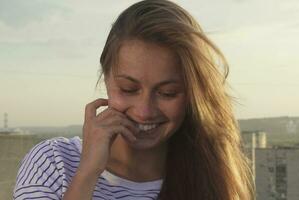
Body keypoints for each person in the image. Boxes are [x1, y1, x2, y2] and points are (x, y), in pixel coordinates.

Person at [13, 0, 255, 199]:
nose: (145, 111)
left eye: (168, 93)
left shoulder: (213, 175)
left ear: (193, 94)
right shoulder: (54, 162)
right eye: (129, 89)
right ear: (105, 79)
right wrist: (88, 172)